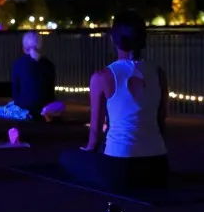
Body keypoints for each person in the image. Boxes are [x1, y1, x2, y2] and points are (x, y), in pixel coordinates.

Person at [59, 11, 168, 190]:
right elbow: (161, 120)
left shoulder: (102, 77)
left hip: (120, 168)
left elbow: (95, 131)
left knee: (66, 159)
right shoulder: (158, 73)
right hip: (157, 166)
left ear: (113, 40)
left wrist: (90, 150)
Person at [0, 31, 64, 121]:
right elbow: (50, 93)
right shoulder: (49, 65)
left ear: (24, 48)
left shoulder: (17, 64)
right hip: (44, 107)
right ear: (41, 47)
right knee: (60, 105)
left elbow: (15, 93)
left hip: (23, 106)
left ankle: (25, 114)